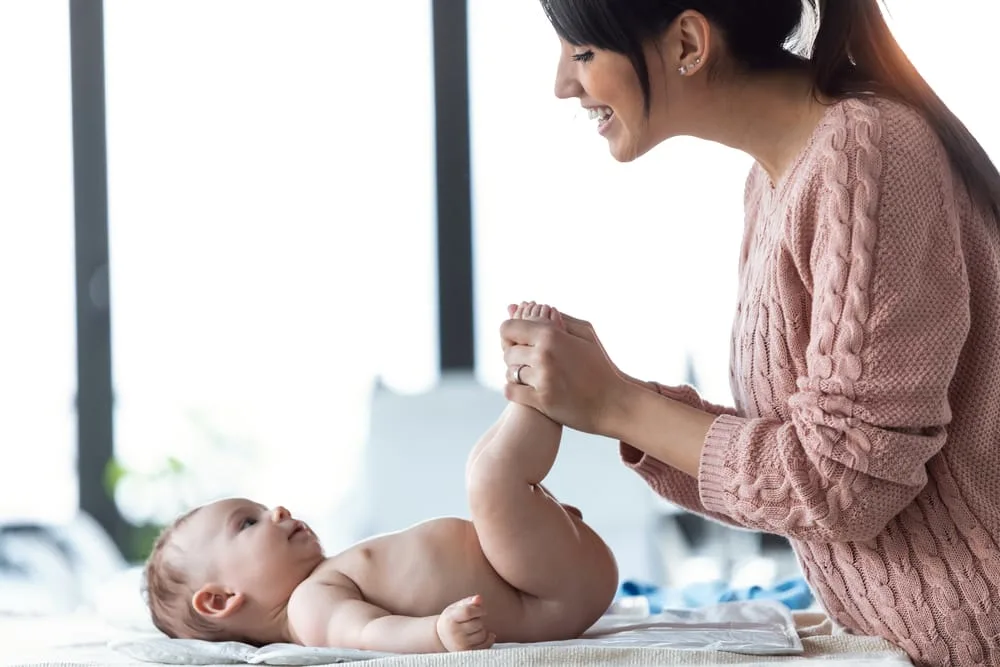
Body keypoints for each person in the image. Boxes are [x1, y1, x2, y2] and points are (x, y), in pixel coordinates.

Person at [499, 2, 1000, 666]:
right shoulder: (778, 178)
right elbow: (803, 471)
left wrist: (617, 404)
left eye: (583, 53)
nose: (563, 83)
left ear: (686, 41)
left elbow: (845, 483)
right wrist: (609, 396)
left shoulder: (868, 154)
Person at [142, 304, 617, 653]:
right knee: (491, 479)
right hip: (541, 595)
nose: (278, 510)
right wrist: (436, 633)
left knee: (483, 467)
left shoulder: (325, 579)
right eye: (248, 523)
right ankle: (538, 384)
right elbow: (368, 634)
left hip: (535, 575)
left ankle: (534, 389)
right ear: (221, 599)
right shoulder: (309, 610)